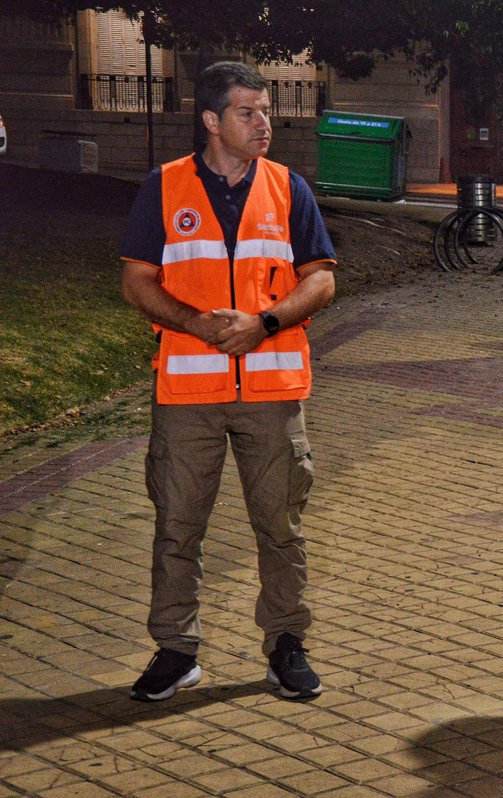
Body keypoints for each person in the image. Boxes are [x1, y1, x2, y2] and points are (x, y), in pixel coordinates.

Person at [119, 61, 336, 702]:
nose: (264, 122)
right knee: (177, 527)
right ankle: (175, 650)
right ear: (212, 121)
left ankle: (287, 645)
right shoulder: (164, 187)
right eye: (248, 112)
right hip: (188, 394)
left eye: (265, 110)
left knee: (281, 526)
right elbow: (136, 281)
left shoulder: (288, 187)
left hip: (270, 393)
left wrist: (264, 322)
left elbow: (321, 278)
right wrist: (200, 326)